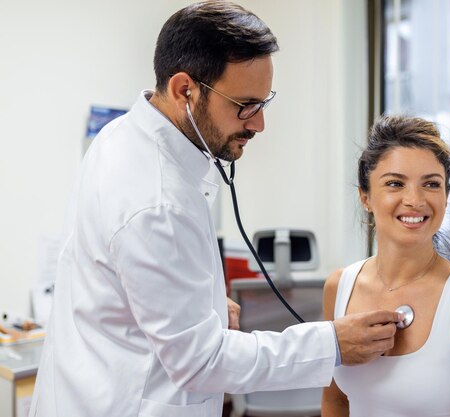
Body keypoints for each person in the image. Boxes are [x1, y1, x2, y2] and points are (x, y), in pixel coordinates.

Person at [29, 2, 402, 417]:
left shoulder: (119, 136)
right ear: (184, 90)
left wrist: (196, 302)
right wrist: (333, 344)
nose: (259, 124)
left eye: (264, 102)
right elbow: (200, 361)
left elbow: (119, 277)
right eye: (245, 104)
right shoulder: (157, 199)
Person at [322, 115, 450, 417]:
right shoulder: (339, 287)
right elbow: (336, 402)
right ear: (365, 197)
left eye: (431, 184)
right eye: (395, 184)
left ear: (446, 196)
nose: (414, 200)